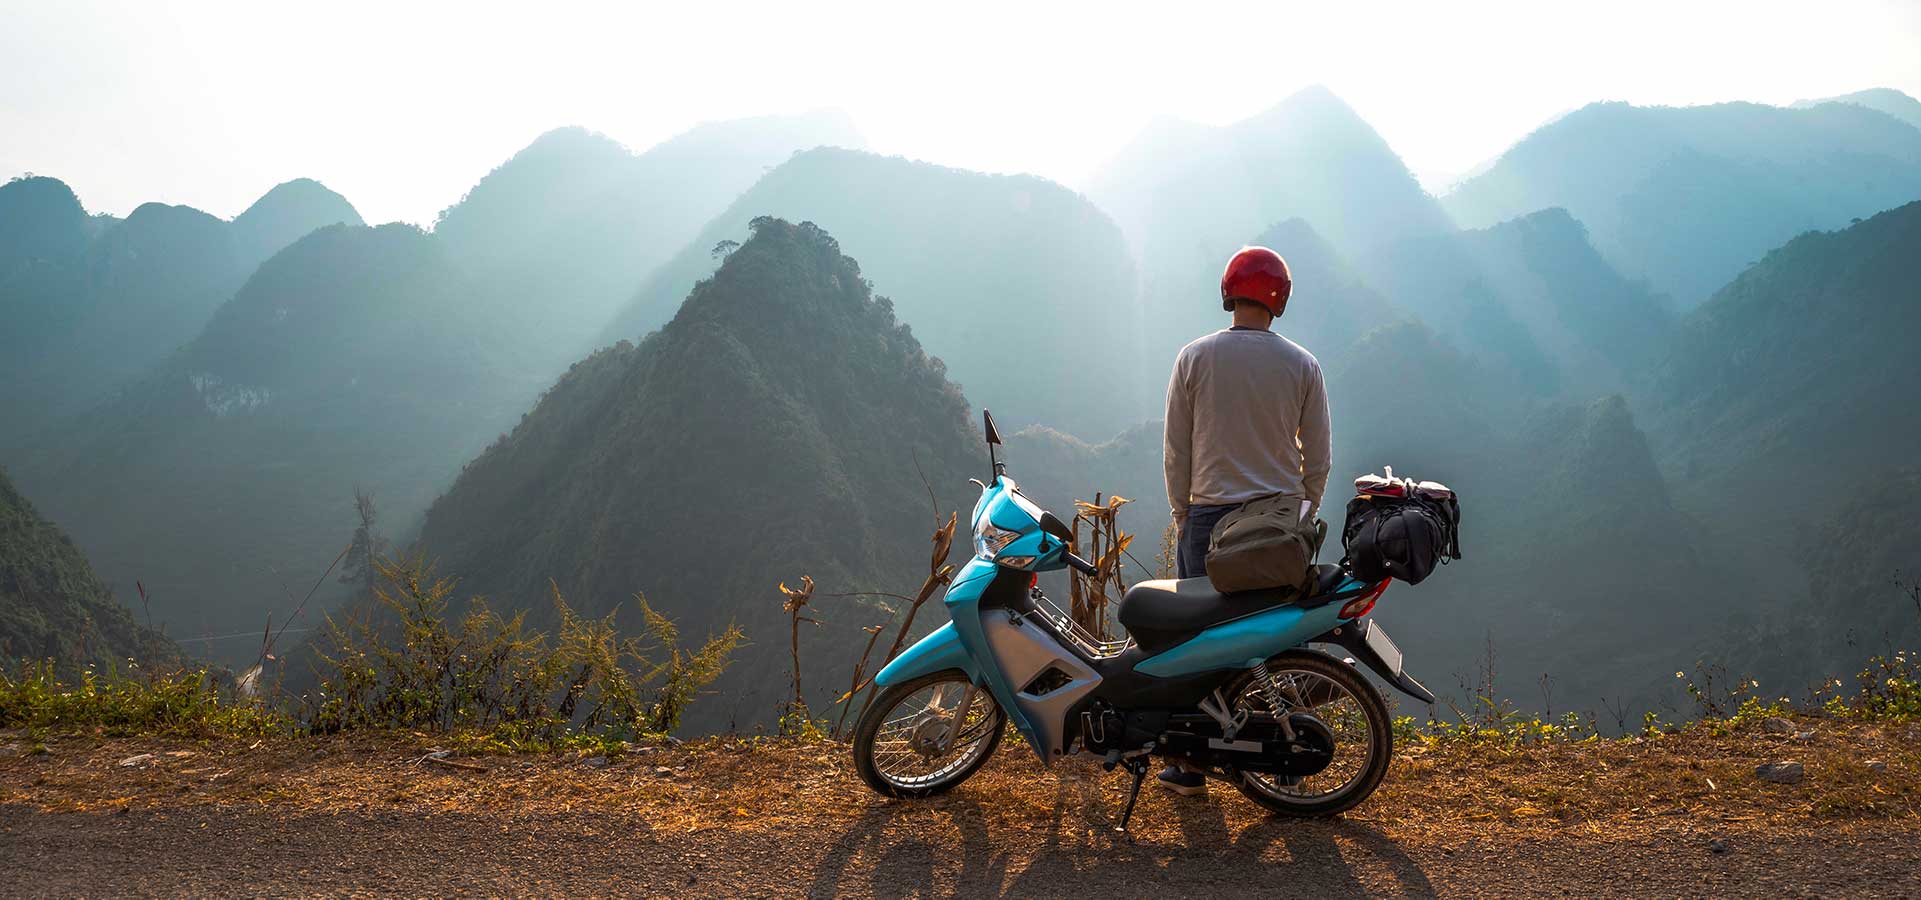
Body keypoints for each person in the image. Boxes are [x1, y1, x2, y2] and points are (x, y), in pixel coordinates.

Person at [1156, 245, 1332, 796]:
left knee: (1195, 641)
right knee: (1275, 637)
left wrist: (1182, 513)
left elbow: (1176, 449)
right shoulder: (1302, 364)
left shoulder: (1194, 357)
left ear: (1229, 291)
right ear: (1278, 299)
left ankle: (1189, 767)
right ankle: (1285, 763)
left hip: (1208, 520)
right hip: (1277, 522)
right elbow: (1318, 456)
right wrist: (1305, 511)